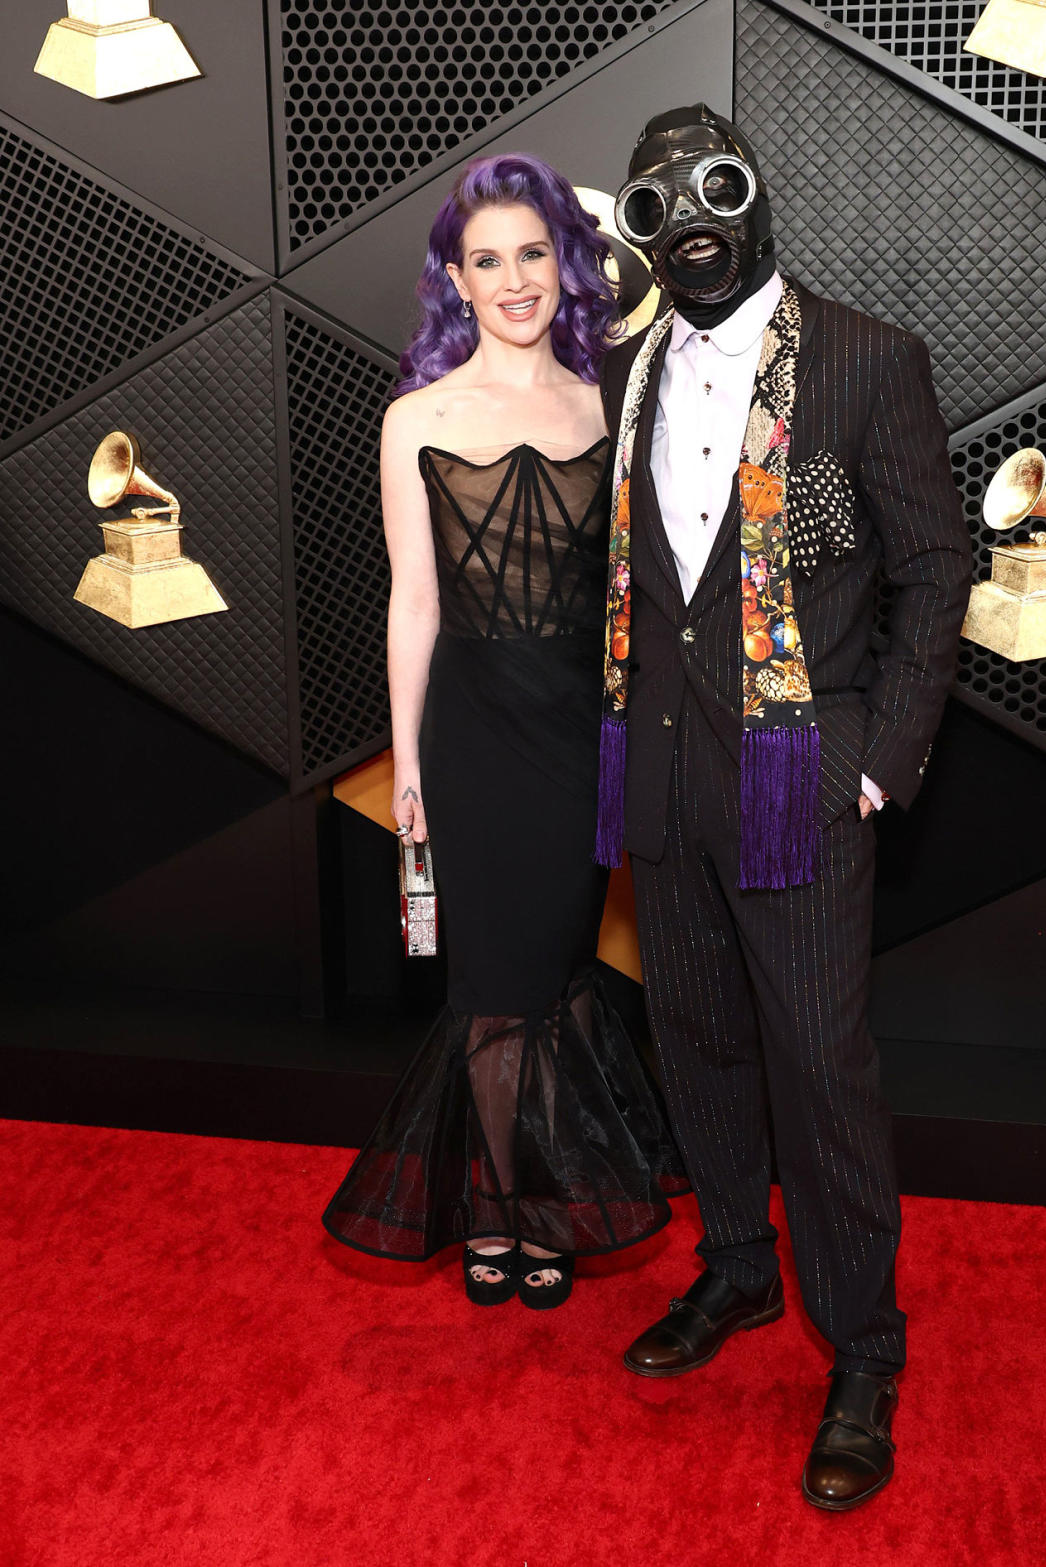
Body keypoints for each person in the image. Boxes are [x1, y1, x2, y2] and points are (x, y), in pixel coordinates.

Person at [594, 106, 972, 1506]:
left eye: (713, 184)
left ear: (753, 198)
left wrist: (871, 756)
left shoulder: (868, 359)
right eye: (660, 196)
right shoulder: (623, 368)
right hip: (660, 773)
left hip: (788, 772)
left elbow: (936, 573)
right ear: (640, 221)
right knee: (690, 1037)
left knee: (819, 1068)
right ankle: (739, 1275)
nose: (689, 216)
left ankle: (862, 1346)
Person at [323, 153, 686, 1310]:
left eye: (533, 253)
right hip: (474, 738)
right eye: (489, 260)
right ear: (457, 282)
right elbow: (413, 601)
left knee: (557, 977)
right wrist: (410, 764)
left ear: (564, 267)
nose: (515, 278)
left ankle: (531, 1198)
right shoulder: (414, 419)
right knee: (488, 987)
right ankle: (499, 1204)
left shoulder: (609, 407)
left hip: (582, 737)